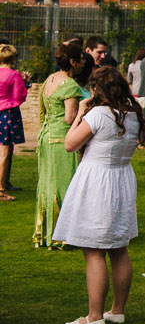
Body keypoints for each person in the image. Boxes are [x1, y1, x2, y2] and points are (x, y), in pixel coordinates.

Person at [53, 66, 145, 324]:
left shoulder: (97, 114)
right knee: (119, 248)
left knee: (94, 249)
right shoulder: (132, 114)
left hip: (98, 181)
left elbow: (70, 144)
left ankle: (94, 317)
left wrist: (80, 114)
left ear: (97, 88)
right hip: (121, 179)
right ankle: (117, 310)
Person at [35, 43, 92, 249]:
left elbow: (43, 110)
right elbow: (70, 118)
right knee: (66, 186)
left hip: (46, 137)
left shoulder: (49, 79)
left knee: (47, 185)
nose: (83, 63)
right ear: (72, 61)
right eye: (81, 59)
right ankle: (64, 235)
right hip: (62, 140)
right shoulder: (70, 85)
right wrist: (85, 111)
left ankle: (46, 232)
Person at [0, 43, 28, 200]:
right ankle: (1, 188)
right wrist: (25, 85)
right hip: (8, 114)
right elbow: (19, 96)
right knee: (5, 153)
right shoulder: (14, 75)